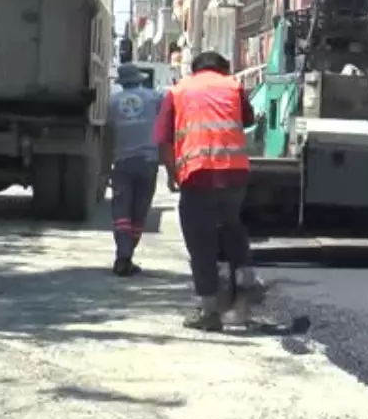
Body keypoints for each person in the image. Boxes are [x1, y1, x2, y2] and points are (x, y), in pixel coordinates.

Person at [154, 51, 264, 332]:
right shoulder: (233, 86)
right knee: (231, 226)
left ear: (194, 69)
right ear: (222, 69)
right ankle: (247, 283)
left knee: (200, 240)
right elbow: (248, 120)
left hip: (198, 174)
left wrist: (171, 173)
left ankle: (209, 311)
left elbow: (164, 141)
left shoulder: (178, 91)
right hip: (235, 174)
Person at [108, 63, 163, 277]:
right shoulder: (154, 98)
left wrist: (105, 167)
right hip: (148, 161)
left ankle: (123, 256)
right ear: (140, 79)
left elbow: (108, 134)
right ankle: (126, 257)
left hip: (122, 162)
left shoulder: (112, 103)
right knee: (139, 212)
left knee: (121, 212)